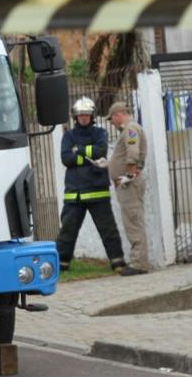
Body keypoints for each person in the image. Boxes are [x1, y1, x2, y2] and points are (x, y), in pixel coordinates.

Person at [56, 97, 125, 272]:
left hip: (97, 191)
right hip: (75, 193)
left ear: (92, 116)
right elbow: (66, 159)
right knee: (67, 232)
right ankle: (61, 265)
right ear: (75, 117)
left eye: (87, 115)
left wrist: (78, 150)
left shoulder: (100, 133)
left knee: (108, 230)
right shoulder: (68, 136)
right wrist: (88, 155)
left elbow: (100, 150)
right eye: (81, 115)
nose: (84, 118)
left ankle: (117, 262)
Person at [107, 101, 149, 276]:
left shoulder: (130, 129)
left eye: (112, 119)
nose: (112, 123)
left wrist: (129, 176)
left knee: (133, 221)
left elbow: (133, 153)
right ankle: (138, 261)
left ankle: (139, 263)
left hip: (129, 184)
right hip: (126, 183)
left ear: (118, 115)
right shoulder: (128, 130)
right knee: (132, 220)